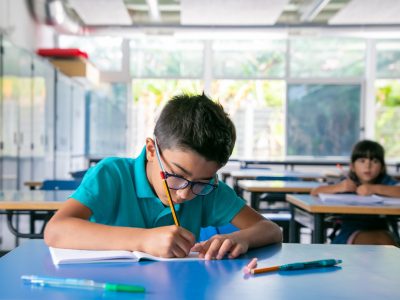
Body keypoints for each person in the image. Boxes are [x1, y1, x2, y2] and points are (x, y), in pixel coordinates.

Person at [44, 93, 282, 260]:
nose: (184, 193)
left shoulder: (209, 190)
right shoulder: (112, 174)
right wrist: (143, 240)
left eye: (201, 182)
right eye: (177, 175)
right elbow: (56, 230)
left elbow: (270, 229)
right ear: (151, 150)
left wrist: (241, 239)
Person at [311, 140, 400, 245]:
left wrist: (374, 188)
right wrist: (340, 187)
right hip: (350, 231)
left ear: (382, 167)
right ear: (352, 166)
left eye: (375, 161)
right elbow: (315, 192)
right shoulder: (348, 182)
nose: (368, 166)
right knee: (382, 242)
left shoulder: (385, 181)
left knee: (385, 242)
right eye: (362, 161)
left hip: (384, 229)